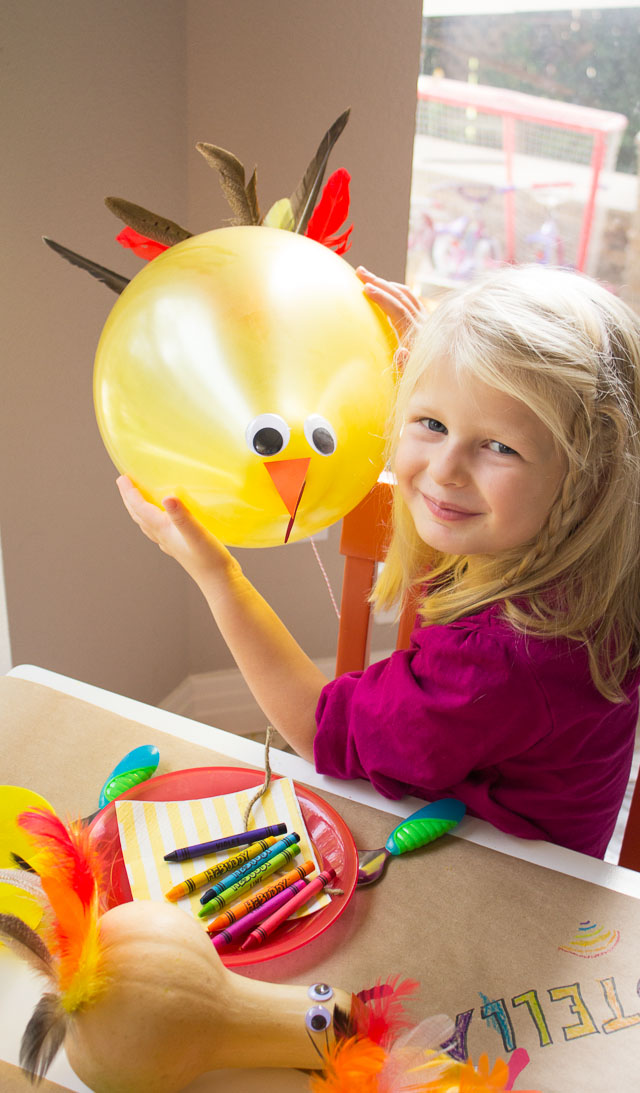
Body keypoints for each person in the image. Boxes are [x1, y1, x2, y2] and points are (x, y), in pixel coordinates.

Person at [117, 263, 640, 859]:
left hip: (508, 882)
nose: (444, 470)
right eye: (433, 422)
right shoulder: (601, 548)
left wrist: (219, 578)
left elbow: (321, 734)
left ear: (591, 475)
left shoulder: (503, 659)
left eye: (500, 446)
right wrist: (443, 365)